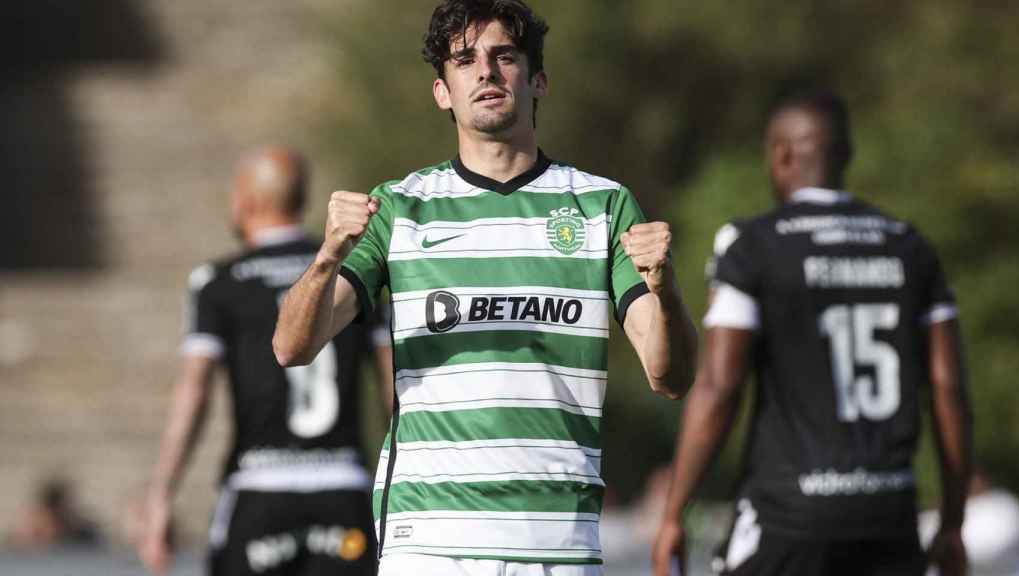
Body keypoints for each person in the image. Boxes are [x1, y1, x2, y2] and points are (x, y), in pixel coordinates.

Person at [273, 1, 699, 574]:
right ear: (442, 92)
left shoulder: (603, 205)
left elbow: (669, 376)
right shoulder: (400, 207)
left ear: (538, 79)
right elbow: (291, 347)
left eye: (505, 57)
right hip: (428, 538)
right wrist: (326, 256)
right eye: (465, 60)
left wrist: (666, 288)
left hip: (556, 540)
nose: (486, 72)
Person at [652, 91, 972, 576]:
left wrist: (674, 513)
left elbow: (720, 386)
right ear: (846, 154)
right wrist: (952, 521)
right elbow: (949, 389)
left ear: (781, 155)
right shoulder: (911, 247)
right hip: (888, 514)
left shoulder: (752, 246)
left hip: (788, 517)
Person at [139, 147, 391, 576]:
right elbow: (394, 381)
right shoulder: (351, 268)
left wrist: (161, 495)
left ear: (245, 201)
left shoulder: (218, 282)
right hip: (344, 487)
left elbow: (195, 391)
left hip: (258, 490)